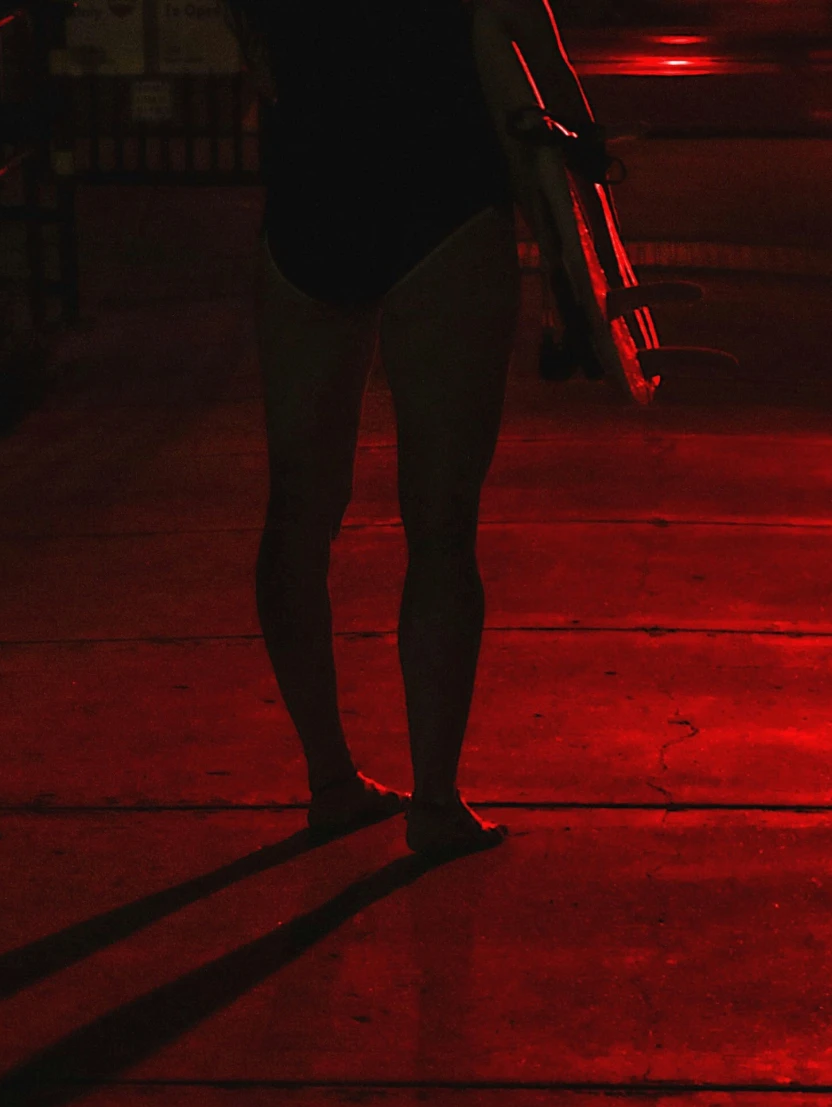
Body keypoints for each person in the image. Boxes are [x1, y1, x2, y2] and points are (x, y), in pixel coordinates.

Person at [227, 0, 597, 857]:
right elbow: (534, 55)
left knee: (297, 511)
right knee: (439, 526)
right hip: (442, 205)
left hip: (307, 209)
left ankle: (329, 782)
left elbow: (259, 62)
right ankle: (433, 801)